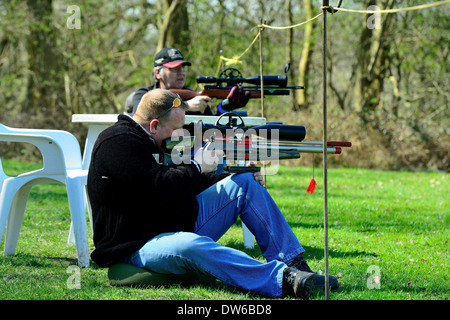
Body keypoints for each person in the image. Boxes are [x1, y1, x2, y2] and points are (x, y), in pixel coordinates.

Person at [88, 89, 338, 299]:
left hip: (172, 222)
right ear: (154, 125)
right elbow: (160, 187)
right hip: (135, 244)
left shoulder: (150, 141)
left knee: (244, 182)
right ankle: (284, 280)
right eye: (175, 130)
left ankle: (294, 264)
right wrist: (196, 165)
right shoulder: (117, 143)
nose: (179, 135)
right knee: (191, 245)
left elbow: (188, 182)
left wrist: (229, 176)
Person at [129, 47, 249, 116]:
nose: (181, 72)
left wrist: (223, 108)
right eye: (174, 69)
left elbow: (212, 131)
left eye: (183, 68)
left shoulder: (194, 97)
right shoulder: (143, 94)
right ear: (157, 73)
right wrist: (185, 106)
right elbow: (142, 116)